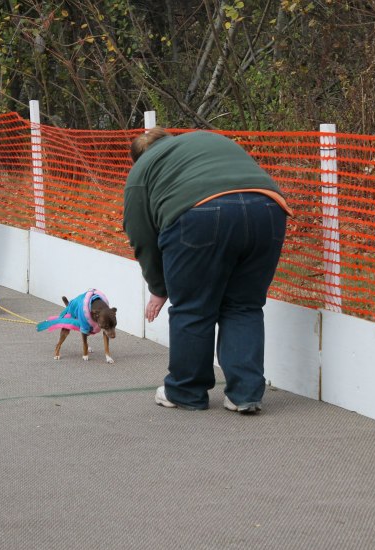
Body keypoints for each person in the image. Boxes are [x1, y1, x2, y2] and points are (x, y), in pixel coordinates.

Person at [123, 127, 290, 413]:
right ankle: (245, 394)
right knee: (244, 306)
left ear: (139, 157)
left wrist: (158, 287)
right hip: (268, 208)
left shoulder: (143, 169)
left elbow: (141, 234)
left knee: (193, 307)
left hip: (199, 215)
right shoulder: (206, 139)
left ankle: (186, 391)